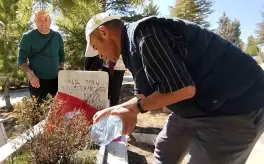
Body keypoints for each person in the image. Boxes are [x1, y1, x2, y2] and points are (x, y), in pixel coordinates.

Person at [85, 12, 264, 163]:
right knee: (166, 149)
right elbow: (147, 95)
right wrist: (116, 109)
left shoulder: (145, 33)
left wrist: (135, 109)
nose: (100, 56)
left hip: (234, 107)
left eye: (96, 47)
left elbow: (182, 90)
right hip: (197, 105)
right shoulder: (131, 46)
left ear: (104, 33)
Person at [18, 10, 64, 104]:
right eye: (39, 19)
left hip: (56, 80)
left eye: (46, 19)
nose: (43, 23)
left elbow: (61, 55)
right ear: (35, 21)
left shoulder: (57, 36)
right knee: (37, 111)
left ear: (50, 21)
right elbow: (21, 60)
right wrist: (31, 75)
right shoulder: (28, 37)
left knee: (60, 109)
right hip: (37, 81)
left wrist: (61, 69)